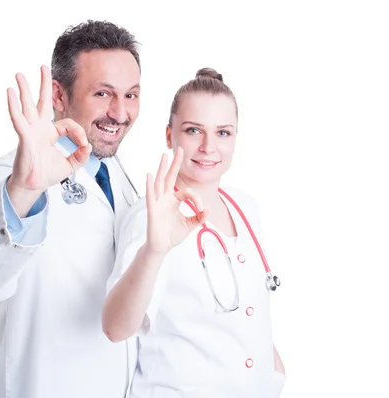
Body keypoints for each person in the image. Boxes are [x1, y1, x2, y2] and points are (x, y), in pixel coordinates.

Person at [0, 20, 143, 398]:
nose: (120, 112)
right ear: (59, 96)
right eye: (103, 93)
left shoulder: (121, 179)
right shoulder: (15, 176)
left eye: (131, 95)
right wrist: (23, 191)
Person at [102, 68, 286, 397]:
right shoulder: (151, 215)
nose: (208, 147)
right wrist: (155, 249)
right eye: (193, 130)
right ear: (170, 135)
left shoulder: (245, 207)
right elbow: (116, 328)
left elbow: (249, 317)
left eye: (223, 133)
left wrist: (274, 373)